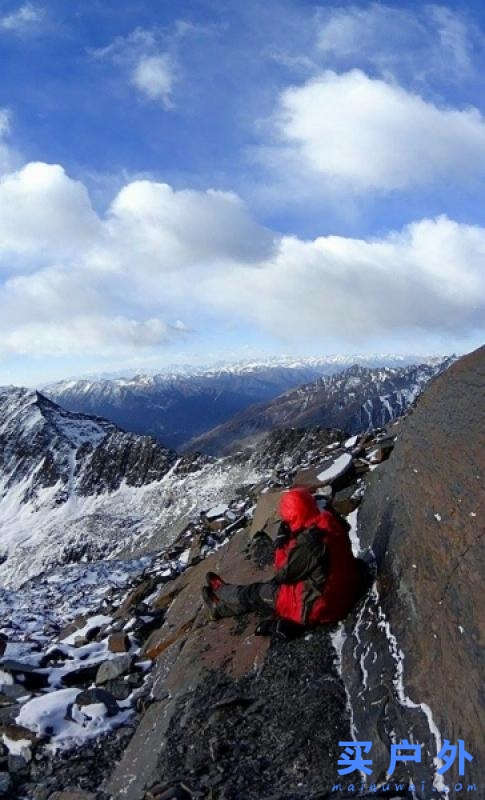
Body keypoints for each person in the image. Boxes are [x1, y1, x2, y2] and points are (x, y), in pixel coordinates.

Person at [201, 487, 368, 634]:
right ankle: (221, 603)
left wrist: (281, 544)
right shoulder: (328, 520)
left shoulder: (308, 543)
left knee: (257, 592)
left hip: (319, 606)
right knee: (266, 589)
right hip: (342, 588)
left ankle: (220, 597)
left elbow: (282, 573)